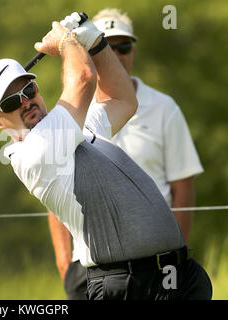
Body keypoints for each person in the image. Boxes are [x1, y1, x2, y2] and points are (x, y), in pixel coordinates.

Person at [0, 13, 212, 300]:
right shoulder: (33, 152)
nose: (26, 102)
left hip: (176, 277)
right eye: (12, 101)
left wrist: (96, 43)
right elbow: (84, 78)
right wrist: (66, 43)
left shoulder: (74, 128)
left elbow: (123, 99)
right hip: (126, 286)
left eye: (28, 89)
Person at [47, 8, 205, 300]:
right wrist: (64, 263)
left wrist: (176, 256)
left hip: (159, 266)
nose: (116, 54)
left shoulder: (164, 108)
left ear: (133, 50)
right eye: (105, 44)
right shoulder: (69, 114)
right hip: (91, 266)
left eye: (123, 46)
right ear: (87, 49)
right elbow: (54, 194)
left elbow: (183, 188)